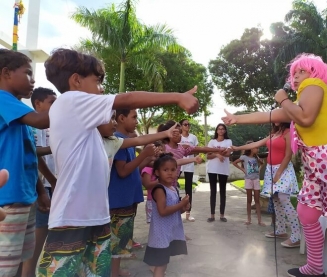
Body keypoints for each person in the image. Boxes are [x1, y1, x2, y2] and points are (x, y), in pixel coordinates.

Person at [36, 48, 199, 277]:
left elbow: (132, 140)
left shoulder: (91, 133)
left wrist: (162, 135)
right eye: (97, 81)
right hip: (72, 217)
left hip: (96, 216)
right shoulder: (70, 101)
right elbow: (128, 98)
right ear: (76, 80)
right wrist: (177, 96)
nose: (101, 89)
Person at [222, 53, 327, 277]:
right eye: (295, 73)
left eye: (302, 71)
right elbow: (271, 115)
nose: (297, 77)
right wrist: (237, 118)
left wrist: (282, 98)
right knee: (307, 212)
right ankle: (314, 267)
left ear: (315, 72)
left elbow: (306, 117)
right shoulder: (299, 102)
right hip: (318, 165)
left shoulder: (314, 85)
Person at [99, 111, 179, 277]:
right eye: (134, 117)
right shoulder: (120, 142)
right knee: (116, 240)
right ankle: (113, 273)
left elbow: (135, 168)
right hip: (119, 200)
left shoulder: (125, 141)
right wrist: (144, 154)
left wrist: (148, 159)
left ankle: (116, 270)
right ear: (122, 118)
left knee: (121, 240)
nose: (136, 122)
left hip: (127, 198)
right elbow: (122, 171)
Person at [0, 49, 51, 277]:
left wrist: (40, 192)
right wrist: (76, 100)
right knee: (5, 266)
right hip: (8, 199)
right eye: (28, 73)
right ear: (6, 73)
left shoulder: (19, 111)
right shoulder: (2, 100)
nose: (33, 80)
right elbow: (42, 121)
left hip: (24, 196)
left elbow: (30, 156)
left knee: (20, 259)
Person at [233, 123, 300, 247]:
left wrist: (279, 172)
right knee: (275, 199)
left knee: (284, 198)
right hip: (270, 169)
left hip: (282, 169)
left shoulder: (288, 132)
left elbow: (288, 155)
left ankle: (296, 236)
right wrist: (236, 148)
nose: (275, 118)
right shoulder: (274, 133)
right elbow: (255, 144)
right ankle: (281, 230)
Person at [22, 87, 58, 276]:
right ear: (38, 104)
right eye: (52, 102)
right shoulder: (32, 125)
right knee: (36, 240)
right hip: (40, 188)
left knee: (42, 238)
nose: (56, 106)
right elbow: (35, 154)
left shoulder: (50, 126)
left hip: (50, 186)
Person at [143, 153, 190, 277]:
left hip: (169, 233)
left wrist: (184, 207)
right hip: (160, 235)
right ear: (157, 173)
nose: (170, 173)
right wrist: (181, 205)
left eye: (173, 170)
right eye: (165, 170)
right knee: (160, 265)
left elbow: (176, 212)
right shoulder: (160, 189)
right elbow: (162, 211)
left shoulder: (173, 189)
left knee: (163, 264)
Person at [141, 141, 203, 224]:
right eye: (156, 150)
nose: (170, 173)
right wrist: (160, 181)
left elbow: (179, 161)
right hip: (153, 201)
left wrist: (194, 159)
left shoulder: (171, 185)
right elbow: (147, 185)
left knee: (169, 220)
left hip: (166, 199)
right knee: (158, 223)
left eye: (161, 150)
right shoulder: (148, 169)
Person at [232, 141, 265, 226]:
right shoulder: (244, 157)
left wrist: (260, 168)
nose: (257, 149)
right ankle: (249, 219)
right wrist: (243, 170)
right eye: (256, 147)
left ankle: (259, 220)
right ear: (250, 148)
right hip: (248, 180)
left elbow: (260, 166)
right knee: (249, 200)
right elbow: (234, 163)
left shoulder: (256, 157)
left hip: (256, 180)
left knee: (257, 200)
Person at [206, 124, 232, 223]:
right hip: (212, 169)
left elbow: (228, 153)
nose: (221, 131)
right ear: (216, 131)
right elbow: (208, 155)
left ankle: (222, 215)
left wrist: (216, 153)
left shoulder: (228, 141)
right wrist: (217, 154)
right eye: (219, 129)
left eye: (222, 129)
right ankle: (212, 215)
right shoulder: (212, 142)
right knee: (213, 192)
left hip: (223, 169)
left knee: (222, 192)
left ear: (225, 131)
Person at [179, 119, 199, 222]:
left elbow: (197, 149)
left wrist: (190, 147)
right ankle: (175, 211)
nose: (187, 126)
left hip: (189, 165)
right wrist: (183, 146)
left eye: (188, 124)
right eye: (185, 124)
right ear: (181, 126)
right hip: (178, 164)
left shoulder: (193, 137)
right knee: (173, 186)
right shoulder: (178, 137)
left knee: (188, 189)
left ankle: (188, 213)